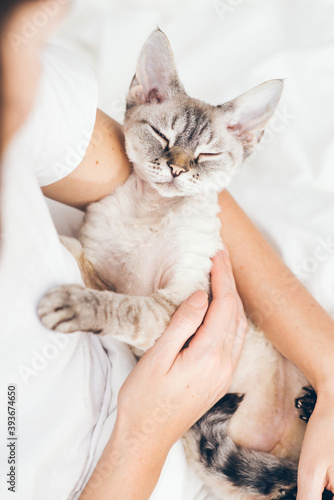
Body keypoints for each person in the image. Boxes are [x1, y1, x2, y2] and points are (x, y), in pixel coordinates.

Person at [0, 2, 333, 500]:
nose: (177, 166)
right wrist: (146, 434)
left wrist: (328, 370)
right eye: (162, 141)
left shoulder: (32, 97)